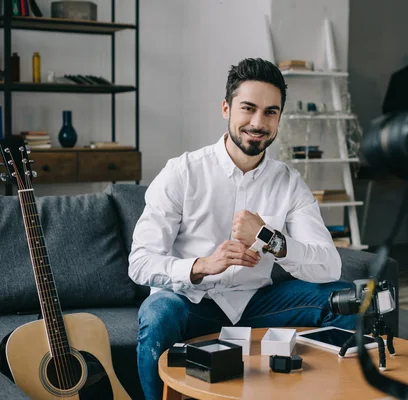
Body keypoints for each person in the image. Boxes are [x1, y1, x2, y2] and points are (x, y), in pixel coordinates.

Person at [128, 57, 356, 400]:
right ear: (226, 108)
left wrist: (270, 238)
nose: (257, 122)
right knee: (159, 311)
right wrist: (202, 265)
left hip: (257, 304)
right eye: (248, 108)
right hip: (194, 302)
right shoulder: (183, 172)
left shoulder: (290, 184)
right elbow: (140, 262)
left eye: (270, 112)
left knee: (345, 298)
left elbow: (329, 265)